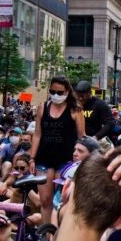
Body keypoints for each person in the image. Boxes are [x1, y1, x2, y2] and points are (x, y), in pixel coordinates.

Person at [29, 76, 85, 224]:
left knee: (60, 201)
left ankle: (60, 234)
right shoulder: (43, 107)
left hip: (65, 159)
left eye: (60, 92)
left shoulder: (75, 110)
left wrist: (80, 158)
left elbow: (82, 137)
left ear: (67, 92)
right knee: (45, 200)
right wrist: (32, 158)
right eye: (52, 91)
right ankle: (47, 235)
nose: (56, 95)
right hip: (44, 158)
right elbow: (37, 134)